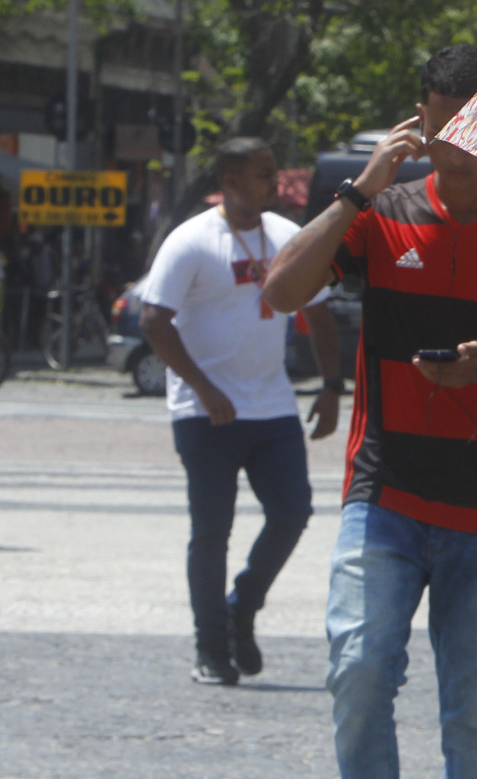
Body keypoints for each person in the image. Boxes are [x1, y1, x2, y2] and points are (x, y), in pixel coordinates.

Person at [263, 44, 477, 779]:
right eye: (441, 133)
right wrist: (360, 189)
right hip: (385, 494)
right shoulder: (384, 214)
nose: (454, 154)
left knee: (476, 722)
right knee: (357, 671)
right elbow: (282, 291)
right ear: (420, 121)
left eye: (472, 137)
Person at [135, 136, 344, 686]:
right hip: (206, 412)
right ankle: (211, 648)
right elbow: (154, 321)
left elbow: (319, 314)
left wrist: (330, 386)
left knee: (293, 511)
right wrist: (203, 389)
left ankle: (242, 605)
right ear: (229, 183)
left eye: (274, 173)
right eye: (262, 175)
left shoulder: (287, 236)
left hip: (271, 404)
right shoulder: (192, 241)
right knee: (212, 531)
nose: (274, 184)